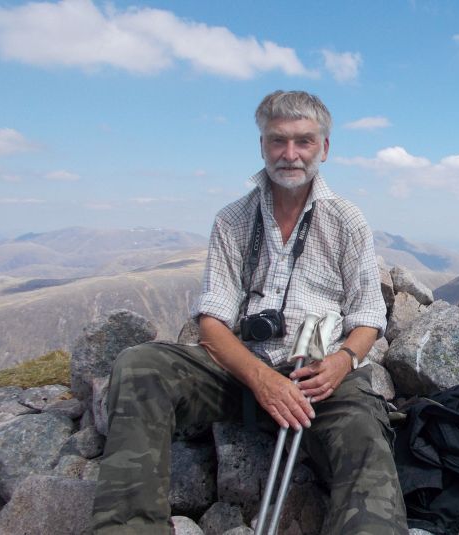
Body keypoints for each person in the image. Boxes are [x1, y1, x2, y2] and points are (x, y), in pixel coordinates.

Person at [92, 90, 408, 534]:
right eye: (278, 141)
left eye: (304, 141)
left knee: (364, 437)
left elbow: (368, 317)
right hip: (241, 374)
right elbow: (211, 323)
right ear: (262, 146)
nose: (290, 154)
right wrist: (261, 380)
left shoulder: (347, 221)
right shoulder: (232, 220)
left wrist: (341, 363)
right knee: (141, 365)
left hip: (317, 381)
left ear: (325, 148)